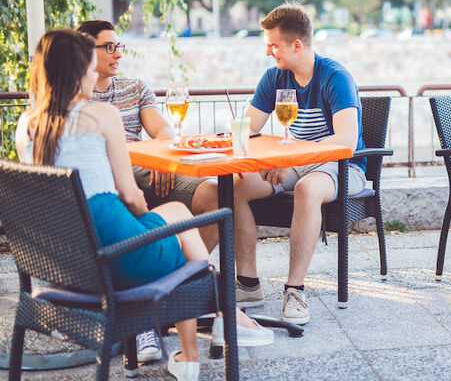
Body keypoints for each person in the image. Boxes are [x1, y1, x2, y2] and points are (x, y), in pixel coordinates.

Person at [16, 30, 273, 381]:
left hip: (63, 264)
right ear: (75, 74)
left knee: (173, 224)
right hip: (116, 260)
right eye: (90, 70)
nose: (95, 77)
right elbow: (131, 195)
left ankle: (197, 344)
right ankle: (218, 318)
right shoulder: (99, 115)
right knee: (180, 225)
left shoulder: (26, 126)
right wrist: (144, 230)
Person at [75, 20, 220, 361]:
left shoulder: (134, 87)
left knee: (214, 194)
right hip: (109, 181)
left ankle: (178, 292)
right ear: (84, 52)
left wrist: (157, 162)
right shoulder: (77, 102)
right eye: (108, 47)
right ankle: (153, 316)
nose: (118, 53)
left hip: (144, 170)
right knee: (133, 212)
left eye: (119, 45)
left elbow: (164, 134)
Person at [224, 2, 366, 325]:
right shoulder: (275, 78)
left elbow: (345, 140)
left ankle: (295, 289)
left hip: (343, 166)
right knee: (238, 186)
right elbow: (249, 126)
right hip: (297, 161)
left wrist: (292, 158)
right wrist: (232, 142)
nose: (268, 53)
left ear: (296, 45)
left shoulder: (335, 77)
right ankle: (247, 284)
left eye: (273, 46)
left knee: (306, 189)